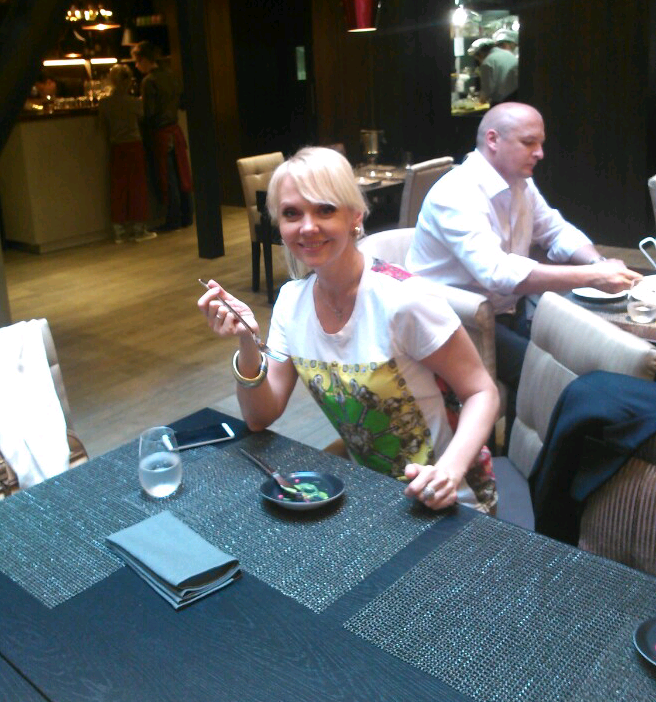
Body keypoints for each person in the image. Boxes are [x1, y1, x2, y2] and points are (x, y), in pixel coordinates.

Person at [198, 146, 499, 513]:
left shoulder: (404, 299)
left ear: (355, 216)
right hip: (370, 494)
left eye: (325, 209)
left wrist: (448, 472)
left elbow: (482, 391)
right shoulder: (291, 302)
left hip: (450, 500)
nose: (307, 227)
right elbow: (260, 417)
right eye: (292, 213)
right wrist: (247, 341)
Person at [405, 102, 642, 436]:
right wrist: (593, 277)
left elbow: (556, 231)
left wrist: (597, 263)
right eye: (529, 143)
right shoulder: (456, 192)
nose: (540, 153)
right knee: (546, 375)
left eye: (540, 143)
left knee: (573, 352)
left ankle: (530, 445)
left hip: (503, 310)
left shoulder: (520, 183)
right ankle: (528, 454)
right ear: (493, 140)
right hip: (454, 321)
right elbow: (497, 272)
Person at [130, 41, 193, 231]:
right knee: (182, 174)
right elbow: (182, 103)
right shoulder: (171, 76)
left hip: (160, 133)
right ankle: (187, 216)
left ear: (144, 59)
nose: (136, 65)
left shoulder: (149, 81)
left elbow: (148, 113)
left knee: (168, 177)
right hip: (175, 129)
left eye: (137, 61)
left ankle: (173, 219)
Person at [98, 63, 155, 244]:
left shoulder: (105, 104)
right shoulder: (134, 103)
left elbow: (101, 126)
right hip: (134, 145)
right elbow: (144, 118)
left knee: (118, 188)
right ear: (129, 81)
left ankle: (119, 231)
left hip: (116, 147)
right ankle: (139, 229)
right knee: (137, 187)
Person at [468, 37, 518, 105]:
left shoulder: (488, 62)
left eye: (477, 58)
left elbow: (486, 91)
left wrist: (479, 101)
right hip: (516, 99)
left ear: (480, 54)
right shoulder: (509, 54)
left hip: (500, 103)